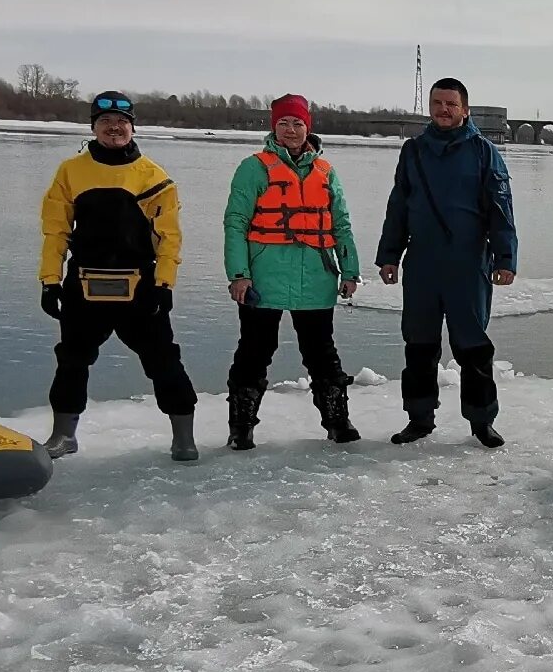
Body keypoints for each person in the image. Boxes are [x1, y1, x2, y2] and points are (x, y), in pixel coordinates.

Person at [38, 90, 199, 462]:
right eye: (106, 123)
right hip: (83, 285)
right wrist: (49, 280)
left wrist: (165, 283)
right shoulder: (70, 172)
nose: (115, 129)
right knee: (71, 361)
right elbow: (55, 231)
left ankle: (183, 438)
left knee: (164, 361)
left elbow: (169, 237)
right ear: (93, 127)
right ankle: (64, 435)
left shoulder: (153, 176)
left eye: (122, 123)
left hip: (140, 288)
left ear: (132, 127)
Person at [374, 76, 518, 446]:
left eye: (451, 104)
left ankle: (481, 422)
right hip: (422, 263)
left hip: (468, 264)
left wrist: (506, 258)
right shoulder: (414, 151)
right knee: (419, 344)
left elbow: (501, 211)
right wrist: (389, 254)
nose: (444, 110)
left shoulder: (484, 152)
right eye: (438, 103)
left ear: (465, 109)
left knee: (472, 346)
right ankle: (419, 419)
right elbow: (398, 207)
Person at [222, 94, 363, 448]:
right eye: (283, 123)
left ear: (308, 128)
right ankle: (241, 427)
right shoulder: (253, 167)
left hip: (315, 275)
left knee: (321, 353)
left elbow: (341, 225)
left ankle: (337, 422)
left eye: (297, 123)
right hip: (263, 276)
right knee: (254, 352)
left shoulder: (326, 172)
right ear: (274, 127)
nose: (290, 130)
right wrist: (239, 273)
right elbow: (235, 223)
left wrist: (350, 271)